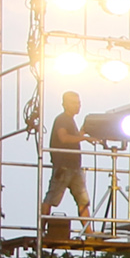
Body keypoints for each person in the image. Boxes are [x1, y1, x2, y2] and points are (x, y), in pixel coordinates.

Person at [44, 91, 92, 220]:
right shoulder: (62, 119)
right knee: (52, 197)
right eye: (74, 103)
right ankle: (41, 229)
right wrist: (84, 138)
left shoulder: (69, 120)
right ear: (64, 104)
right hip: (64, 166)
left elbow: (73, 138)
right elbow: (64, 138)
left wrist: (83, 132)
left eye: (79, 103)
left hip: (74, 167)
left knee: (83, 201)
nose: (78, 106)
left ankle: (89, 233)